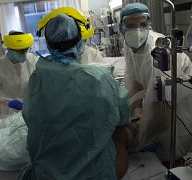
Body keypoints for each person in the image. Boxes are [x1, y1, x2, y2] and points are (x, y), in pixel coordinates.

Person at [20, 14, 131, 180]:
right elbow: (122, 117)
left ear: (49, 45)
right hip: (96, 173)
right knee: (122, 132)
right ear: (80, 42)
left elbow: (30, 119)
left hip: (47, 173)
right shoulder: (100, 77)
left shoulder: (36, 79)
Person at [119, 3, 192, 160]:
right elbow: (134, 82)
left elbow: (161, 116)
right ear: (122, 28)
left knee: (172, 155)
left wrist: (132, 138)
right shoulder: (129, 46)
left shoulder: (157, 54)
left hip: (178, 116)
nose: (138, 31)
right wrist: (125, 113)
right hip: (160, 108)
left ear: (149, 23)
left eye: (143, 24)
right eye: (131, 25)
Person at [0, 31, 38, 115]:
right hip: (9, 111)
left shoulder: (32, 60)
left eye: (25, 50)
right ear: (9, 49)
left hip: (32, 108)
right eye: (19, 52)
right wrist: (8, 102)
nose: (24, 54)